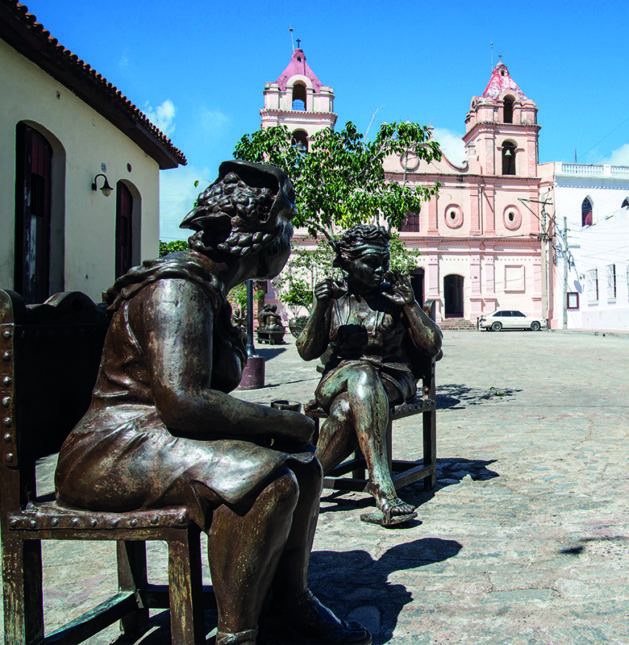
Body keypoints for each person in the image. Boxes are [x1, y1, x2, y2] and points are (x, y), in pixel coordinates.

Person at [54, 161, 372, 645]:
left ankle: (287, 603)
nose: (289, 239)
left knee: (306, 469)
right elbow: (184, 402)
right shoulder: (176, 289)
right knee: (266, 482)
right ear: (252, 234)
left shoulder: (209, 292)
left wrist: (285, 431)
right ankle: (236, 635)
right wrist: (285, 424)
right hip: (113, 448)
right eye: (285, 225)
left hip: (156, 437)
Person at [297, 225, 442, 527]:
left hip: (392, 378)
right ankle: (384, 491)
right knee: (361, 373)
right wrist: (320, 307)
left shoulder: (395, 299)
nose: (381, 270)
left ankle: (303, 482)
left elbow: (432, 345)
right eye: (372, 263)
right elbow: (307, 351)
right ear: (349, 262)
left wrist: (411, 305)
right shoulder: (334, 301)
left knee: (345, 409)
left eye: (385, 262)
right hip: (337, 379)